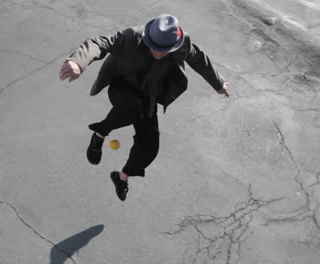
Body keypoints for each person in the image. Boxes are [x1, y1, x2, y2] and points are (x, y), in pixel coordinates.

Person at [59, 14, 230, 201]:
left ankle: (121, 177)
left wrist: (218, 84)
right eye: (154, 48)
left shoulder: (182, 42)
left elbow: (198, 59)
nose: (157, 54)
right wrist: (78, 61)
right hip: (122, 86)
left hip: (149, 94)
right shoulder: (131, 36)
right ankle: (99, 133)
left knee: (150, 145)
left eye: (163, 51)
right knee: (132, 108)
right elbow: (100, 42)